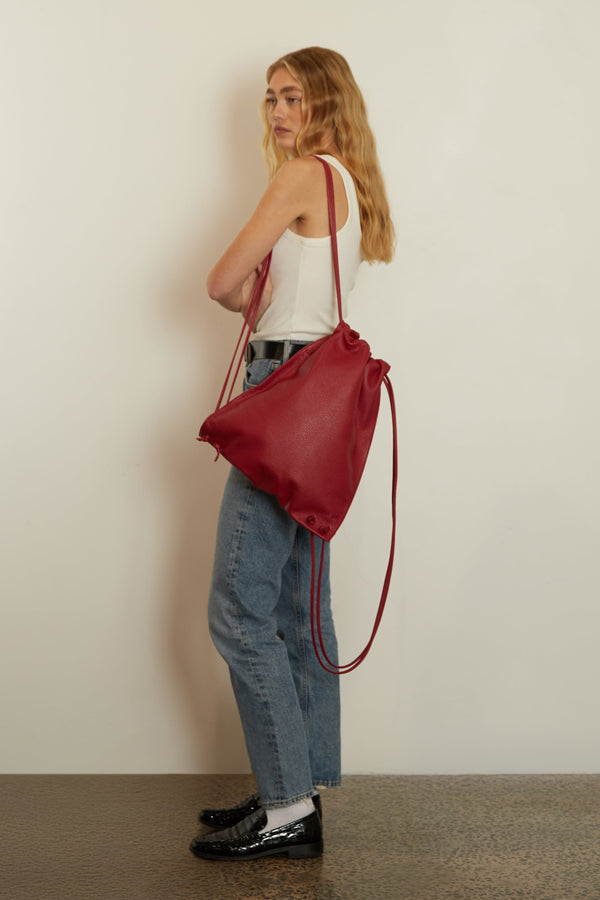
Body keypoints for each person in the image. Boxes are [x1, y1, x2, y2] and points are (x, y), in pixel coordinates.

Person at [190, 46, 395, 861]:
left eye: (294, 98)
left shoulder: (300, 175)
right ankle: (298, 784)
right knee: (298, 610)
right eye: (271, 98)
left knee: (239, 611)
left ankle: (285, 810)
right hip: (326, 405)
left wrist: (253, 298)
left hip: (285, 396)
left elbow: (219, 282)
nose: (278, 112)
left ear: (325, 105)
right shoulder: (349, 181)